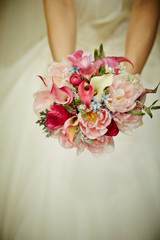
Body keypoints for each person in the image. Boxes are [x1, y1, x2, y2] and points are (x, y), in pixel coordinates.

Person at [0, 0, 160, 240]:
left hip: (130, 50)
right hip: (69, 50)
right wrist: (67, 88)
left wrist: (126, 85)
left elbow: (145, 3)